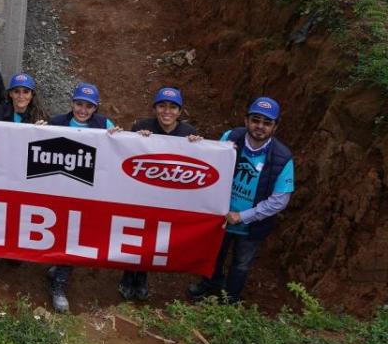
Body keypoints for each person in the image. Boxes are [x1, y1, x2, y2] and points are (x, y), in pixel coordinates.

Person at [189, 97, 295, 304]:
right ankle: (209, 285)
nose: (260, 127)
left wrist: (243, 216)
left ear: (275, 127)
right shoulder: (231, 137)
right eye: (256, 120)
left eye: (267, 123)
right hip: (221, 217)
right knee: (215, 255)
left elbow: (279, 201)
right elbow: (212, 162)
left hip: (252, 225)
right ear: (246, 120)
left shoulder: (283, 158)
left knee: (241, 263)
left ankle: (230, 299)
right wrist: (194, 146)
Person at [120, 86, 203, 301]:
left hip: (167, 199)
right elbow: (124, 152)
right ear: (155, 108)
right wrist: (135, 138)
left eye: (172, 107)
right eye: (162, 106)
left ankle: (142, 277)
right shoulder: (142, 126)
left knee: (152, 239)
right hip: (140, 195)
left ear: (180, 111)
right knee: (135, 236)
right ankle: (127, 276)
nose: (167, 111)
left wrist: (199, 146)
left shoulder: (188, 133)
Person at [46, 82, 120, 313]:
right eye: (79, 104)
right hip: (60, 190)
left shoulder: (104, 124)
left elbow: (121, 147)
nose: (83, 110)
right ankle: (57, 272)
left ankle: (59, 281)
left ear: (95, 108)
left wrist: (120, 136)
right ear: (72, 104)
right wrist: (38, 129)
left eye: (89, 106)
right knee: (58, 232)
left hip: (88, 193)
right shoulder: (57, 122)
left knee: (73, 236)